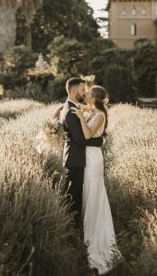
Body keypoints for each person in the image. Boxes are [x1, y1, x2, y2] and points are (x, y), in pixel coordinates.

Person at [71, 85, 121, 275]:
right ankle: (88, 227)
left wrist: (79, 118)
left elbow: (87, 134)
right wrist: (83, 114)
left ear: (95, 98)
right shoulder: (94, 111)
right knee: (89, 190)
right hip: (89, 155)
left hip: (93, 158)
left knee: (93, 191)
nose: (86, 95)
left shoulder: (99, 114)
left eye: (89, 94)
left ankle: (95, 232)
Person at [60, 77, 104, 228]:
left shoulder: (73, 107)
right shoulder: (70, 112)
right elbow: (80, 139)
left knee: (77, 194)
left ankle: (76, 224)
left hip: (79, 158)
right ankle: (70, 226)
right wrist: (99, 141)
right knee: (73, 195)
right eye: (82, 90)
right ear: (73, 91)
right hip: (75, 158)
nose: (85, 93)